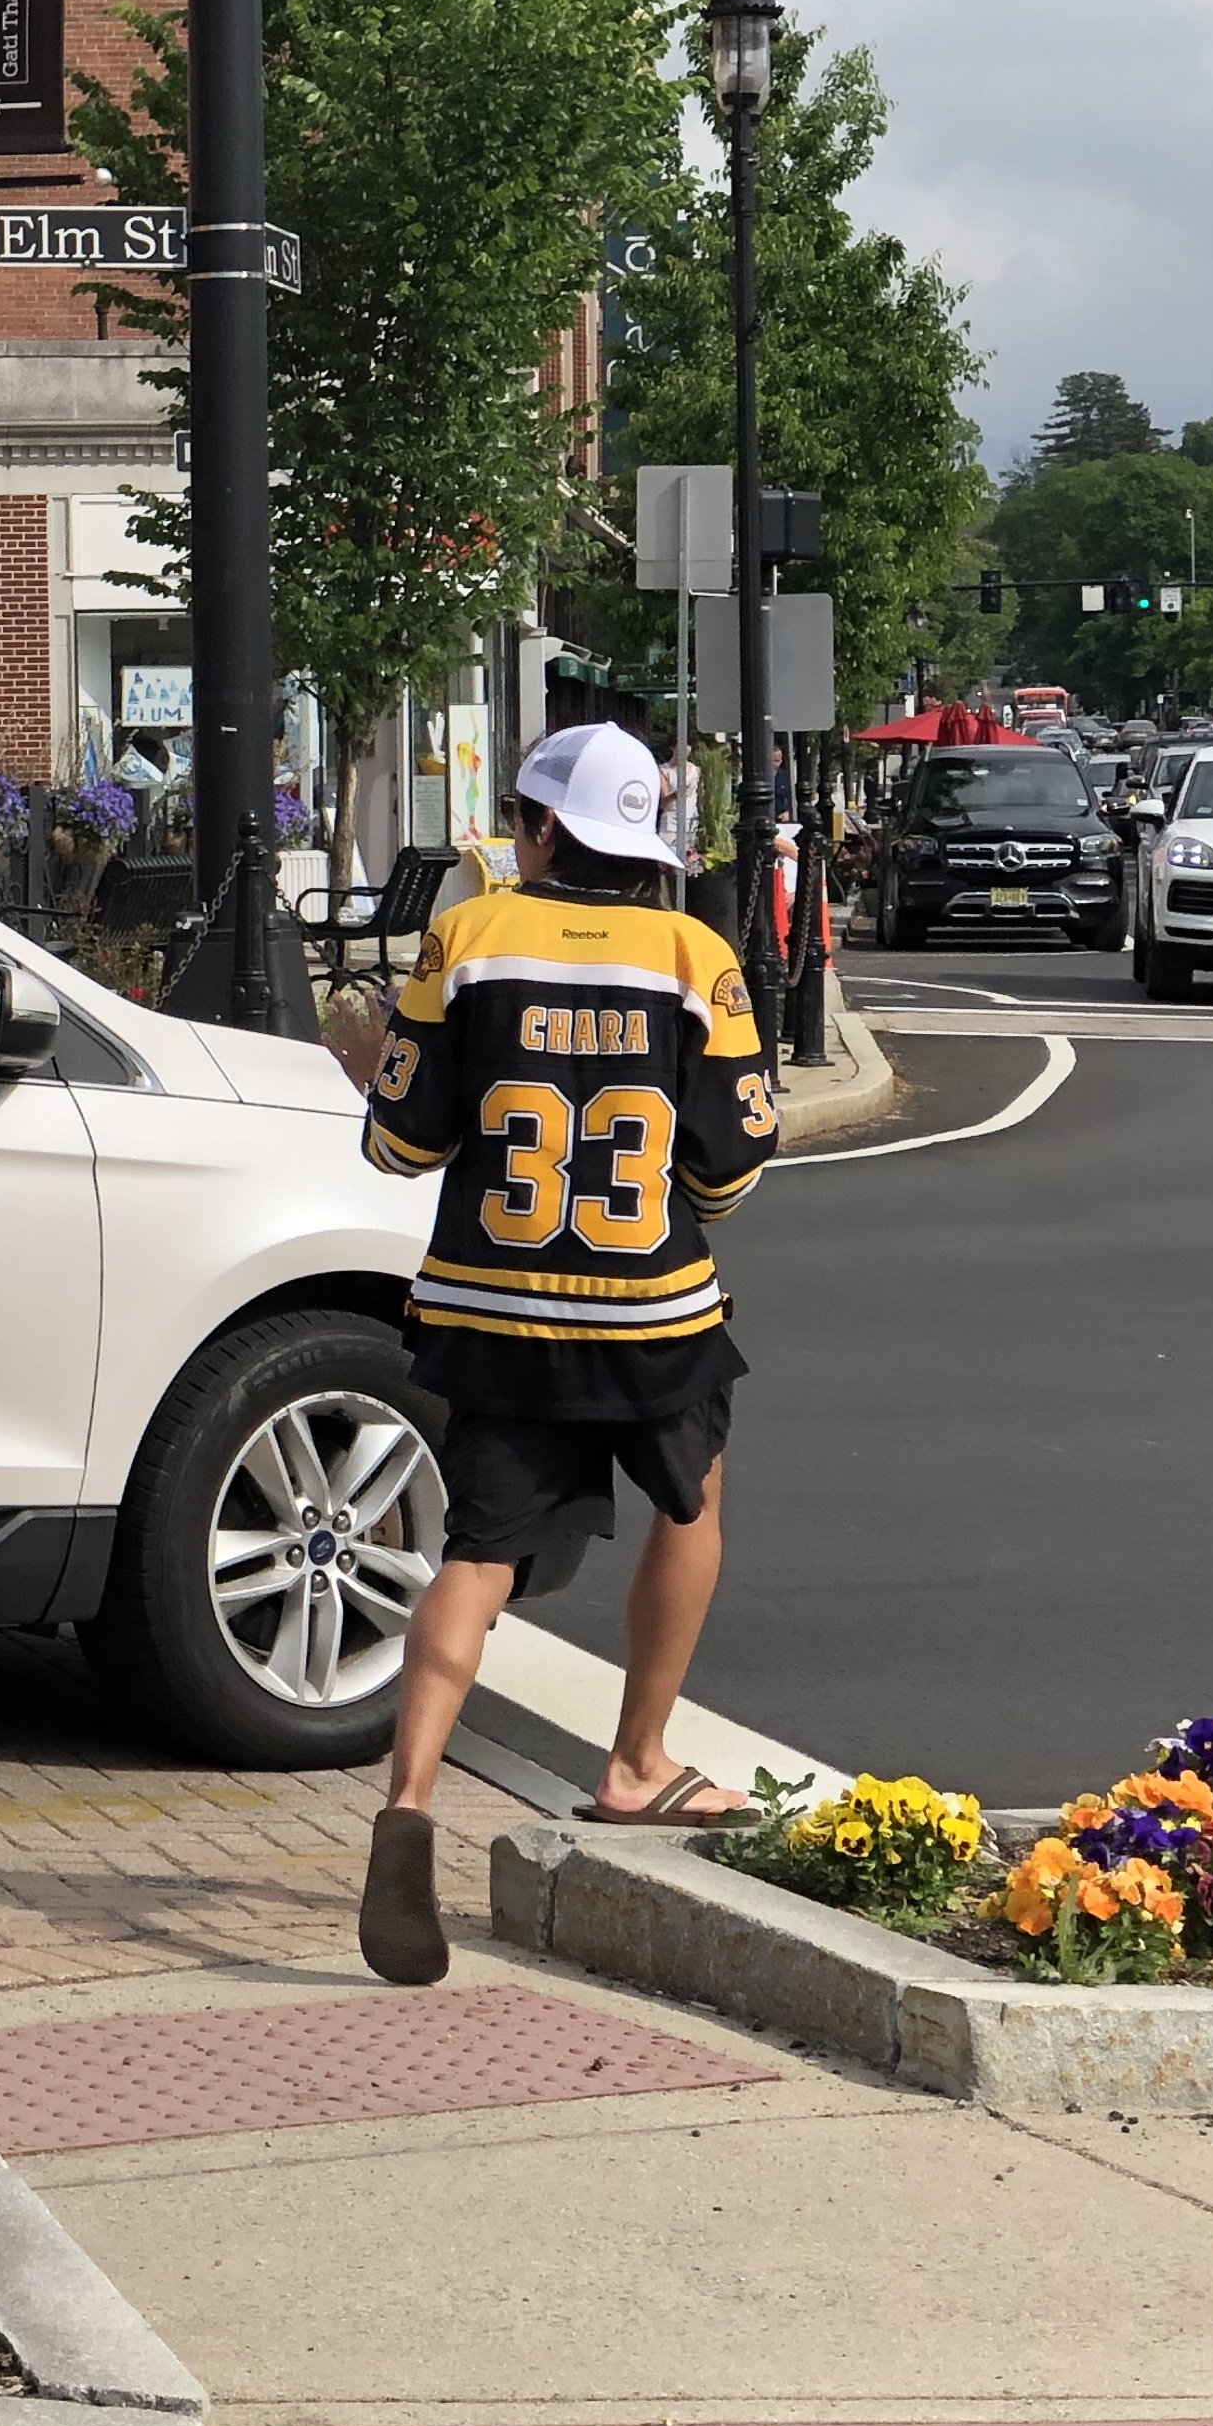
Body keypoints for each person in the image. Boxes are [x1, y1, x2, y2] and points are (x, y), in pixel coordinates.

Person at [350, 721, 783, 1988]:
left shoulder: (466, 941)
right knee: (693, 1498)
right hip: (650, 1314)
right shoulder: (698, 957)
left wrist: (363, 1054)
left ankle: (411, 1801)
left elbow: (405, 1146)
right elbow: (729, 1171)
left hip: (488, 1302)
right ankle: (638, 1761)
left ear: (539, 831)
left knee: (476, 1556)